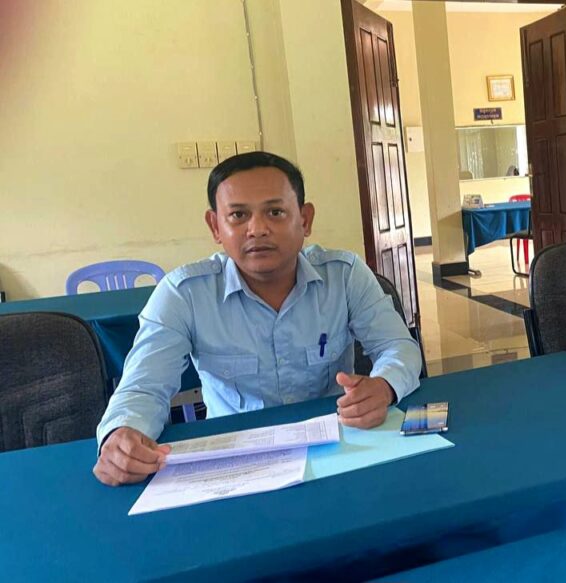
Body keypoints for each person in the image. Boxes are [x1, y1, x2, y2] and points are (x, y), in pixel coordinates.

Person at [93, 152, 421, 486]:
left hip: (337, 449)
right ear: (215, 226)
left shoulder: (345, 276)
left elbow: (399, 347)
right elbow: (143, 386)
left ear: (305, 219)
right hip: (236, 463)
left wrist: (384, 386)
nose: (257, 229)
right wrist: (122, 434)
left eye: (275, 212)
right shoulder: (184, 294)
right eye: (238, 215)